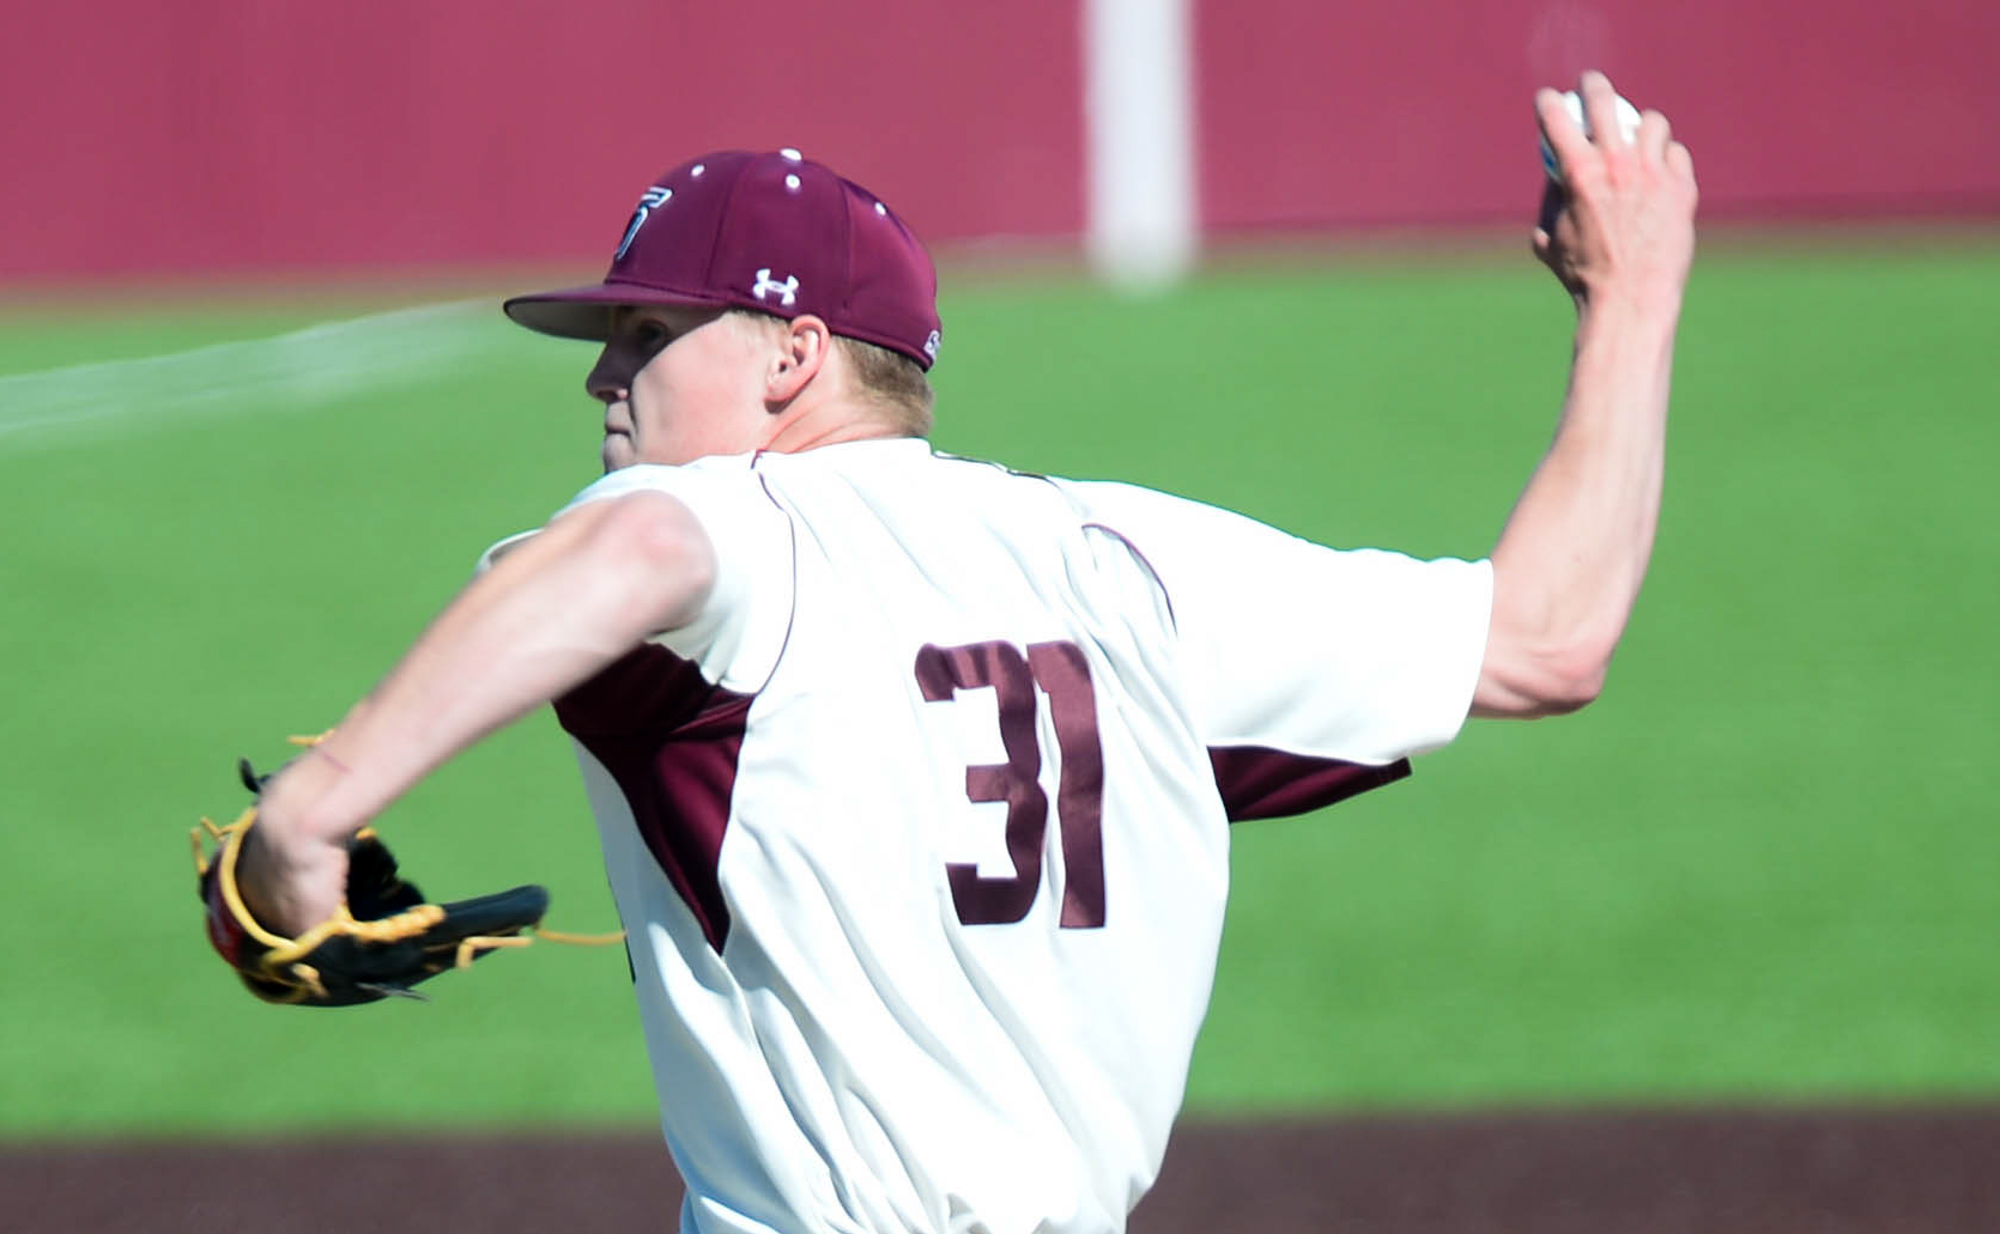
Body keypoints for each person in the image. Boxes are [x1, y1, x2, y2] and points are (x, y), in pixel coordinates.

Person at [237, 72, 1697, 1234]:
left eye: (647, 332)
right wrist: (1631, 299)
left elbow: (639, 552)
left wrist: (317, 805)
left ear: (789, 357)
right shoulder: (1134, 565)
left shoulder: (736, 528)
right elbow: (1546, 637)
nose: (605, 376)